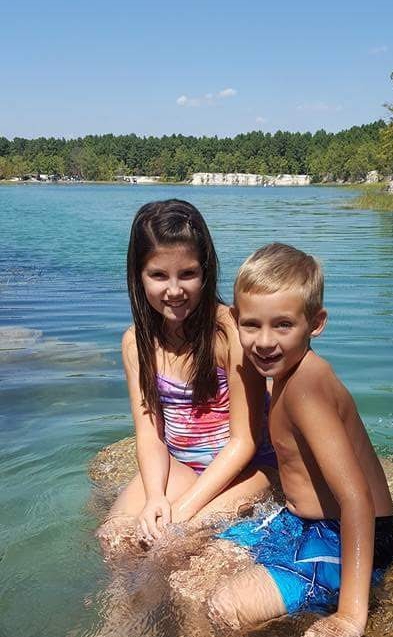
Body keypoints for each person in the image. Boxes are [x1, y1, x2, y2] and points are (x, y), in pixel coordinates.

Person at [209, 242, 393, 637]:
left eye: (283, 325)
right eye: (252, 325)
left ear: (316, 324)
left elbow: (356, 498)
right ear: (236, 321)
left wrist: (350, 615)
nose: (264, 342)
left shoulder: (307, 388)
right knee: (199, 565)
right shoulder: (286, 371)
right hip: (303, 523)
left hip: (351, 536)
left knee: (226, 606)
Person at [98, 199, 276, 550]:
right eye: (158, 275)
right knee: (114, 540)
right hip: (183, 465)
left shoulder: (229, 331)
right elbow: (150, 435)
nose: (174, 290)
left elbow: (244, 442)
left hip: (251, 469)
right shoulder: (136, 342)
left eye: (188, 274)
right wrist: (155, 498)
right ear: (138, 275)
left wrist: (183, 510)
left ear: (206, 271)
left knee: (174, 541)